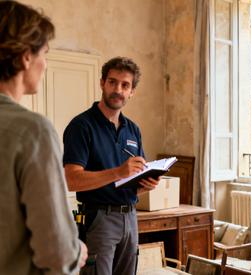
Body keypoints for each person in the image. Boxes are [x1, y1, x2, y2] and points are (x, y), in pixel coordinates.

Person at [0, 1, 88, 274]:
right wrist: (77, 252)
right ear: (26, 56)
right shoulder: (33, 131)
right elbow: (56, 253)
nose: (46, 64)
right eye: (45, 54)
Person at [63, 57, 159, 275]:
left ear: (132, 91)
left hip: (131, 218)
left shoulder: (133, 129)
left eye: (125, 85)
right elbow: (71, 180)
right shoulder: (81, 126)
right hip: (98, 219)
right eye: (112, 82)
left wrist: (146, 184)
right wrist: (118, 172)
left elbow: (133, 180)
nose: (118, 89)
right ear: (102, 83)